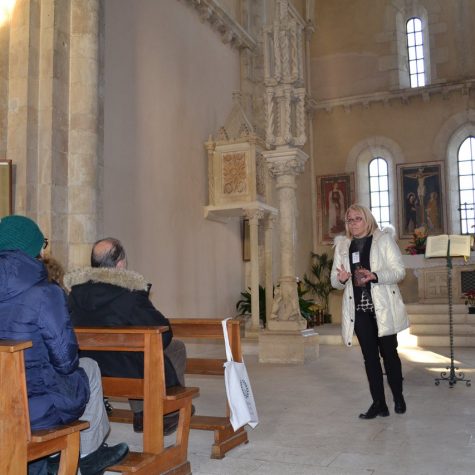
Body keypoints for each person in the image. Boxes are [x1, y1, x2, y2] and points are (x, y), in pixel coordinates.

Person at [0, 215, 129, 475]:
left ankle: (48, 460)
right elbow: (66, 360)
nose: (44, 249)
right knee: (88, 367)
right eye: (42, 242)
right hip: (30, 408)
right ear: (31, 248)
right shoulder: (45, 293)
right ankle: (89, 454)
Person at [64, 237, 187, 435]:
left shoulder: (75, 294)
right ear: (120, 264)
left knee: (138, 350)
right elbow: (163, 333)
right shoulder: (128, 293)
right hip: (125, 369)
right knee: (173, 348)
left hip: (87, 365)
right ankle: (165, 411)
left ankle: (141, 414)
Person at [330, 204, 409, 420]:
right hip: (360, 310)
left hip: (383, 308)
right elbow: (334, 281)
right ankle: (379, 403)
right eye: (349, 220)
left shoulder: (383, 240)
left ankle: (398, 398)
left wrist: (375, 275)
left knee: (389, 355)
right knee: (370, 358)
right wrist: (341, 279)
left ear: (367, 220)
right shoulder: (343, 246)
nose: (353, 223)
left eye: (357, 219)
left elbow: (399, 272)